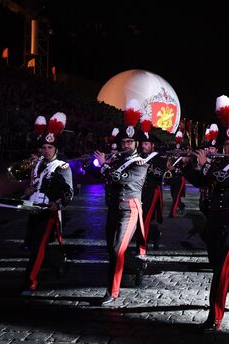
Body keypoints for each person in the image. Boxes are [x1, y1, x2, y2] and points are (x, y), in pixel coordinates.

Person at [182, 95, 229, 333]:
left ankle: (215, 318)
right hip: (214, 216)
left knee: (222, 267)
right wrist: (187, 165)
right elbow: (201, 182)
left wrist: (205, 165)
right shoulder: (217, 164)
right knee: (216, 264)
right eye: (227, 146)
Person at [93, 100, 148, 305]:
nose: (126, 145)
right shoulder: (116, 159)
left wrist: (105, 166)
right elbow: (102, 176)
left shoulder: (140, 163)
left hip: (129, 209)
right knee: (111, 250)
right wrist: (100, 166)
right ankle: (138, 266)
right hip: (113, 208)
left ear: (136, 144)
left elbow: (121, 178)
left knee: (118, 249)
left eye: (129, 143)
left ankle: (112, 291)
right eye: (123, 142)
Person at [21, 112, 73, 294]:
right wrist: (26, 190)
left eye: (49, 147)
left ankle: (31, 280)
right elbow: (32, 184)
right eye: (43, 147)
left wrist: (58, 203)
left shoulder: (62, 167)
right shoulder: (36, 164)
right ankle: (58, 262)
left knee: (39, 245)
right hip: (33, 209)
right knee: (32, 244)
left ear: (56, 149)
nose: (46, 150)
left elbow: (69, 192)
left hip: (48, 211)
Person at [136, 132, 166, 253]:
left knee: (145, 219)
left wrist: (147, 167)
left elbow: (159, 174)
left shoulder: (159, 158)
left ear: (152, 145)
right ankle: (155, 234)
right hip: (137, 191)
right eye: (143, 143)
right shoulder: (138, 156)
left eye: (146, 143)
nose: (144, 146)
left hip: (151, 192)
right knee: (137, 219)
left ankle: (142, 248)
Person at [167, 130, 187, 218]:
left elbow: (186, 169)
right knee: (174, 196)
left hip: (180, 178)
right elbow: (168, 165)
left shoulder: (184, 157)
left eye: (178, 149)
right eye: (176, 149)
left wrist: (175, 168)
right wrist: (169, 166)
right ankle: (182, 206)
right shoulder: (171, 157)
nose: (177, 150)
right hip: (172, 178)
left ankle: (172, 213)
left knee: (176, 196)